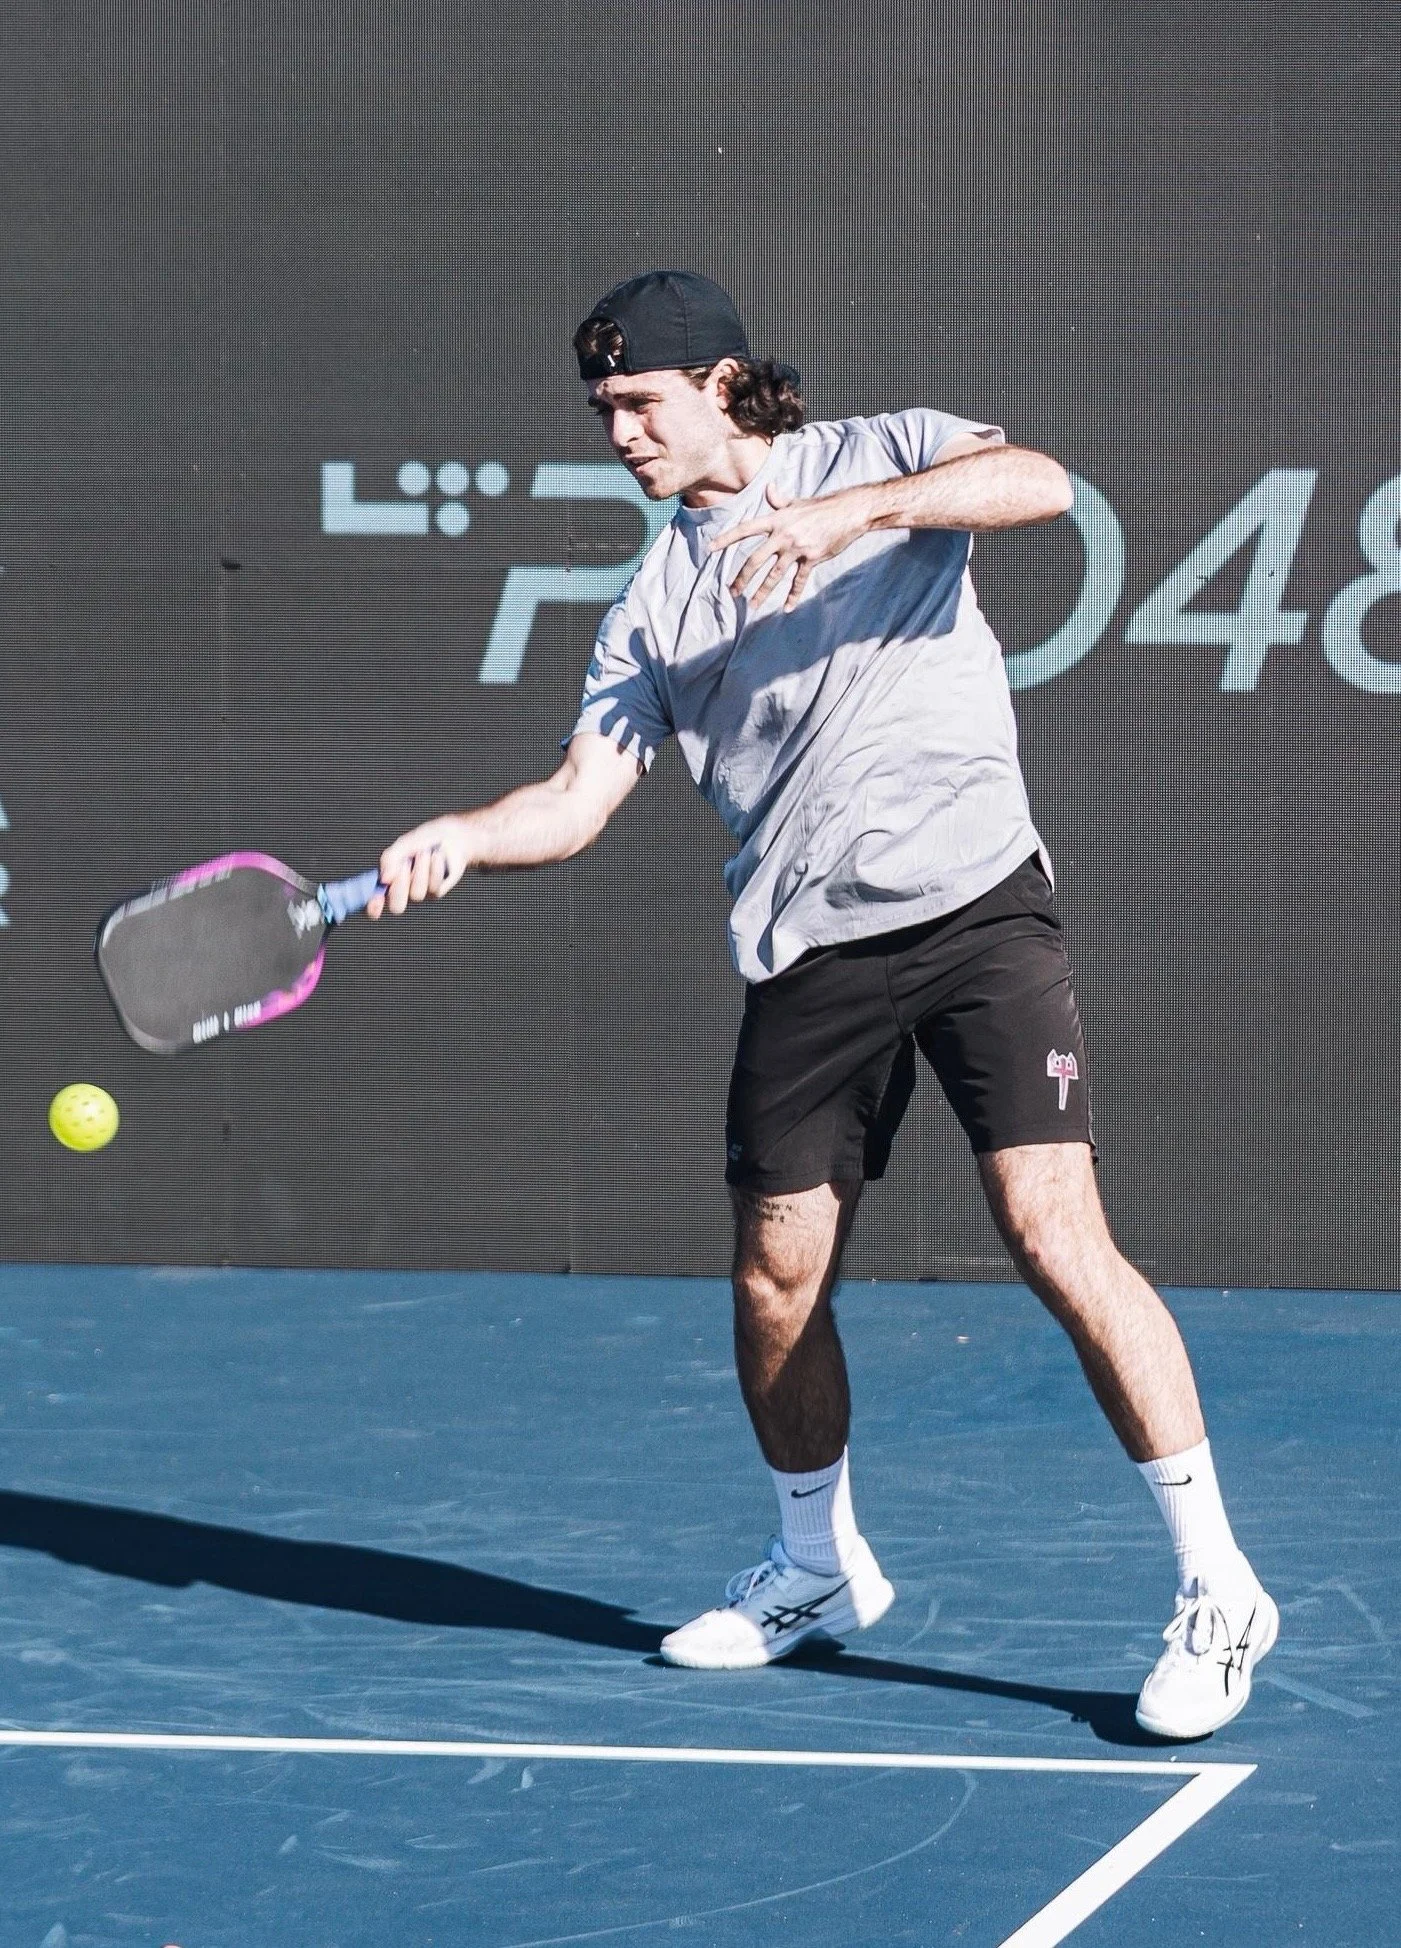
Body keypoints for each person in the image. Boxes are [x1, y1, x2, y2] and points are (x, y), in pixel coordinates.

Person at [369, 269, 1276, 1740]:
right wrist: (469, 834)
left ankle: (1219, 1584)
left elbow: (1043, 484)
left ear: (725, 384)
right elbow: (576, 798)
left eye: (639, 403)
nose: (619, 434)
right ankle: (816, 1567)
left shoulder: (877, 453)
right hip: (809, 956)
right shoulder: (654, 603)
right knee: (775, 1279)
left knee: (1053, 1233)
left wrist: (854, 515)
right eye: (601, 410)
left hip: (980, 908)